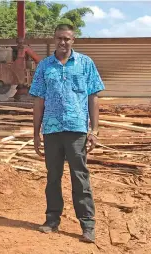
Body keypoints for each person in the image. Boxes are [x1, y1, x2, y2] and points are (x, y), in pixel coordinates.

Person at [29, 24, 105, 243]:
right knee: (53, 177)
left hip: (76, 130)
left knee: (80, 178)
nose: (63, 42)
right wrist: (36, 133)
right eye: (59, 38)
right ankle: (52, 220)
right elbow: (38, 101)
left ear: (74, 40)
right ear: (54, 39)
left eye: (67, 39)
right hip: (51, 130)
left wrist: (94, 130)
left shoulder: (85, 64)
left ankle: (87, 225)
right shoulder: (44, 66)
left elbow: (93, 98)